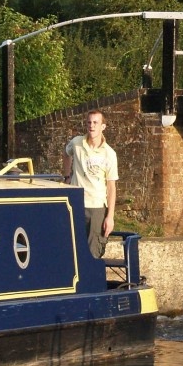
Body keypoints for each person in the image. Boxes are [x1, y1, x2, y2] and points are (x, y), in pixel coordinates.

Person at [63, 109, 118, 257]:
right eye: (89, 122)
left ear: (103, 126)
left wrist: (110, 216)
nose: (91, 126)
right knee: (73, 250)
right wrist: (67, 176)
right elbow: (66, 153)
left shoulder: (109, 154)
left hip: (97, 208)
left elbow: (111, 187)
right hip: (75, 204)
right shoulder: (77, 143)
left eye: (95, 123)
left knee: (93, 252)